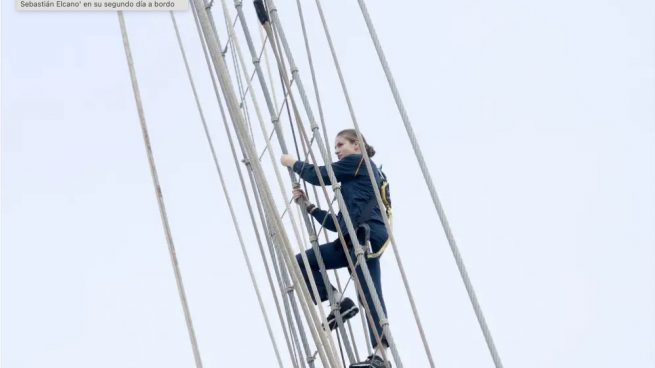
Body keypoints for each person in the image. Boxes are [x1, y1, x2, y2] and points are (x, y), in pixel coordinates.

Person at [280, 129, 391, 368]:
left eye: (341, 144)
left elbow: (320, 175)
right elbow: (338, 224)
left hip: (365, 237)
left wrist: (292, 163)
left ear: (357, 146)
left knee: (370, 294)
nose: (337, 150)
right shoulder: (353, 182)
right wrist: (310, 207)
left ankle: (381, 357)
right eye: (336, 147)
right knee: (300, 263)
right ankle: (338, 302)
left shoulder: (359, 162)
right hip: (350, 238)